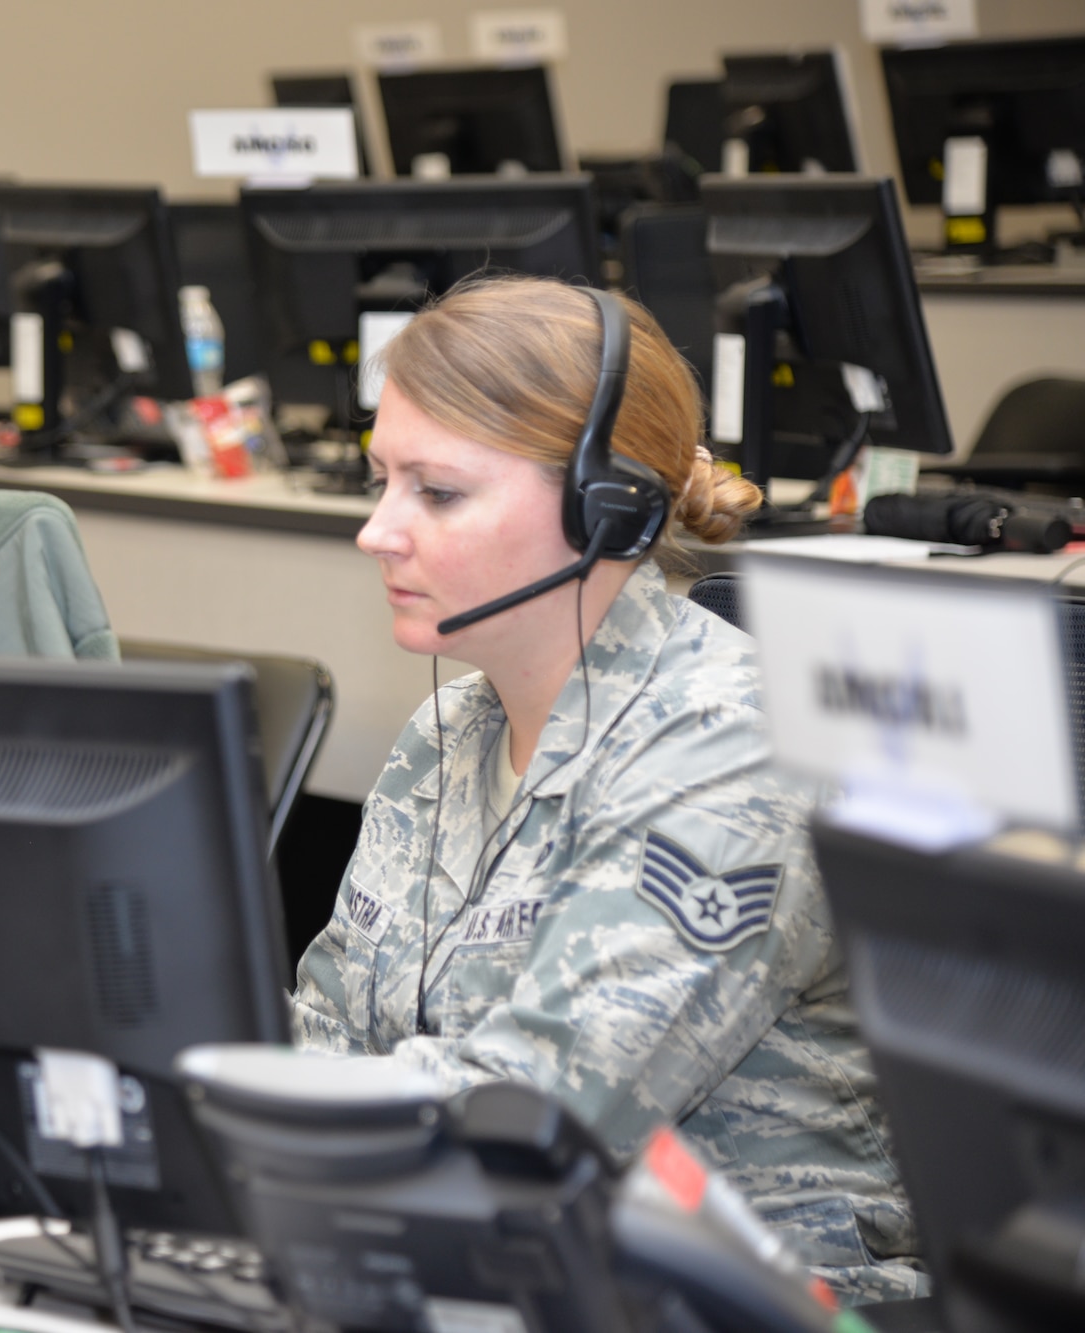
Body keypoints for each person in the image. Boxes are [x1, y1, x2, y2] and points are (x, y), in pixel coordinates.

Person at [290, 275, 923, 1306]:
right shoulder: (444, 734)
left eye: (435, 491)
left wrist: (244, 1102)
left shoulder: (736, 756)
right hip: (475, 1273)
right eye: (380, 481)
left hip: (730, 1304)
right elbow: (324, 1034)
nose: (377, 530)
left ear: (606, 507)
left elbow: (538, 1118)